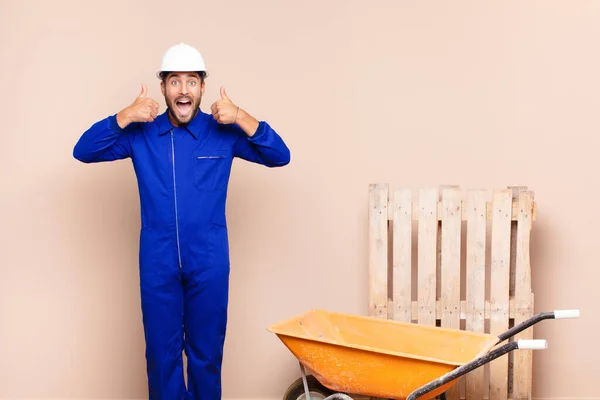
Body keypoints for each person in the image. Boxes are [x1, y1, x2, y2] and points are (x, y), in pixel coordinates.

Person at [73, 42, 291, 399]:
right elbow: (83, 150)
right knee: (162, 359)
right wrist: (124, 116)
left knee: (206, 357)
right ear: (163, 88)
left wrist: (241, 116)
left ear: (203, 88)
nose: (184, 90)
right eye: (175, 81)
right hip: (157, 262)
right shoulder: (142, 133)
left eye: (192, 81)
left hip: (208, 260)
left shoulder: (222, 131)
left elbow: (280, 155)